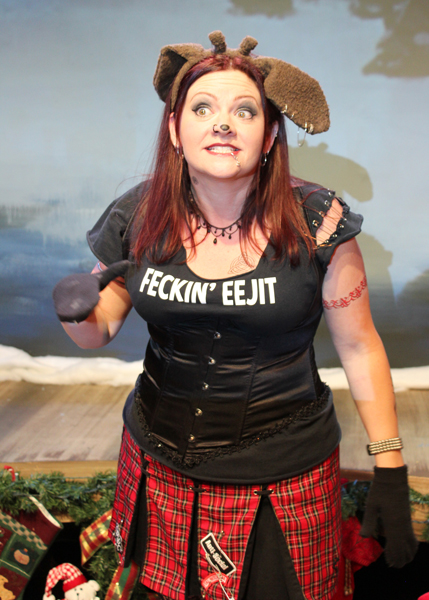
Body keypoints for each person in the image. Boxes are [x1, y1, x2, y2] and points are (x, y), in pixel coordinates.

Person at [53, 31, 417, 600]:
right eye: (202, 108)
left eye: (244, 111)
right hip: (156, 463)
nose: (222, 123)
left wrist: (389, 467)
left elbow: (359, 345)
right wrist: (74, 310)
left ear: (269, 135)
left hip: (282, 475)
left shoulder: (318, 221)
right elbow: (97, 332)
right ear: (175, 129)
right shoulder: (139, 214)